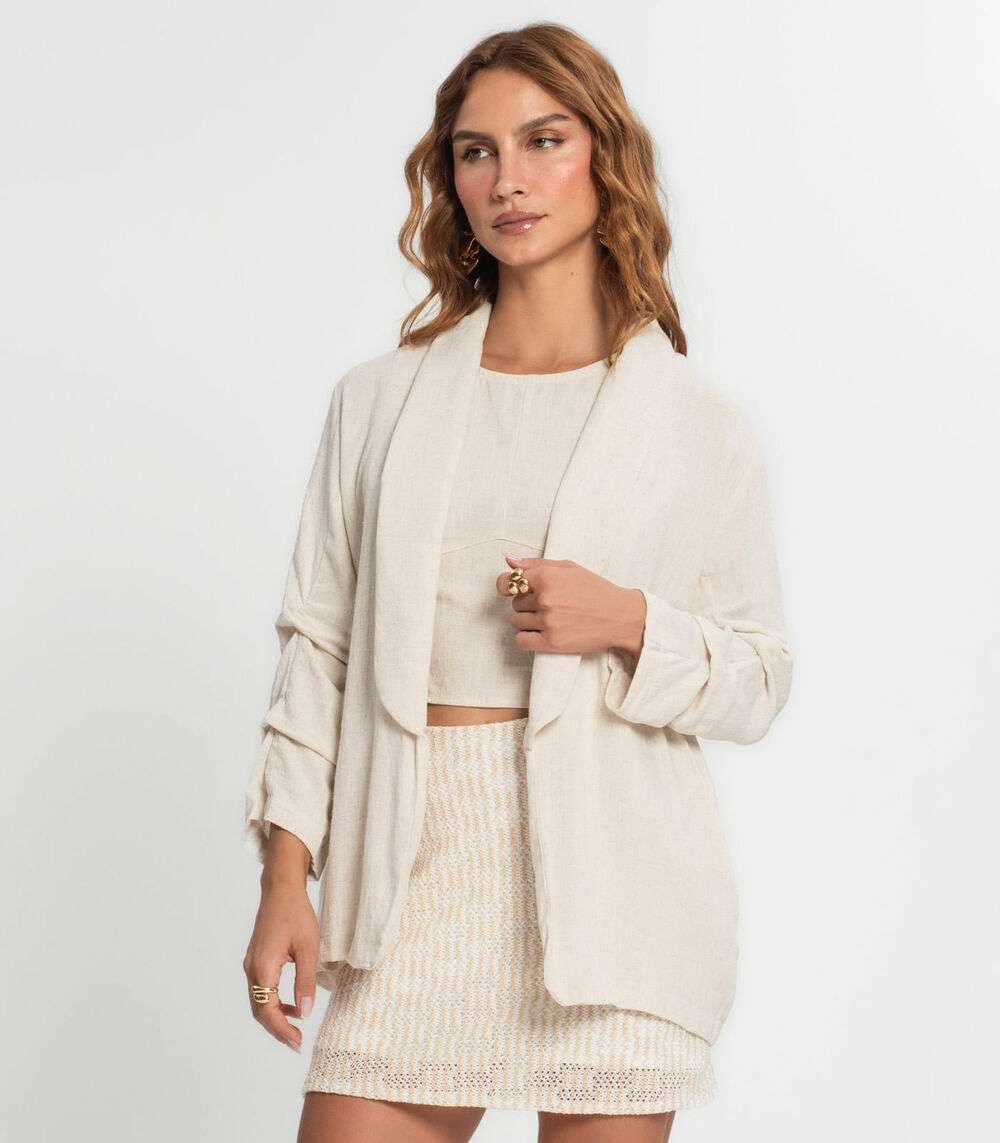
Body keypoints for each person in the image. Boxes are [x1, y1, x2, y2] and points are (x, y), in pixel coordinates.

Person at [242, 22, 793, 1143]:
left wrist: (626, 619)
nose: (507, 179)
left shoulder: (696, 426)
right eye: (475, 151)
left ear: (605, 157)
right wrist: (284, 878)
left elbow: (758, 678)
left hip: (619, 904)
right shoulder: (378, 403)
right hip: (411, 879)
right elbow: (319, 650)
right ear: (450, 179)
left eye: (544, 141)